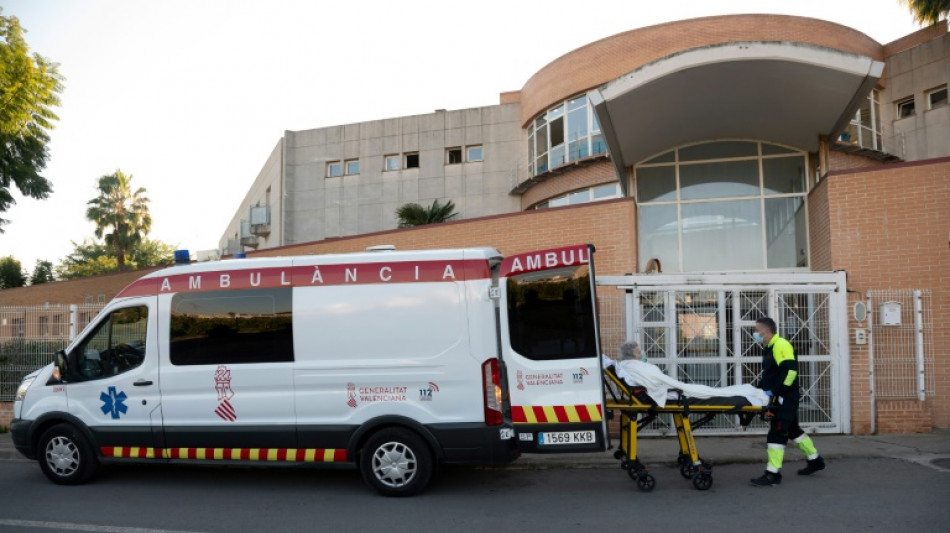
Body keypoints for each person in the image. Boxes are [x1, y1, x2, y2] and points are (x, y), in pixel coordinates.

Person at [750, 317, 826, 487]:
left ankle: (772, 474)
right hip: (780, 395)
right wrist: (759, 387)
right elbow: (772, 373)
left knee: (777, 432)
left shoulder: (781, 345)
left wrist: (775, 392)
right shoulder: (769, 347)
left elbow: (790, 372)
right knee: (793, 430)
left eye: (757, 330)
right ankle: (815, 460)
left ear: (766, 331)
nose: (755, 334)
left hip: (785, 397)